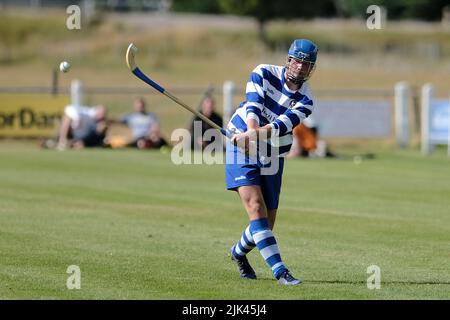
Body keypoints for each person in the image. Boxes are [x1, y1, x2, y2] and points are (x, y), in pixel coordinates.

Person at [225, 39, 318, 285]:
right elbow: (253, 106)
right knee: (256, 207)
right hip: (241, 144)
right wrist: (249, 134)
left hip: (272, 153)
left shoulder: (306, 101)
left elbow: (280, 126)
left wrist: (253, 136)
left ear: (311, 69)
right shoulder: (263, 72)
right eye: (297, 61)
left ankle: (237, 253)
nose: (300, 68)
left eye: (306, 65)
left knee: (267, 222)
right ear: (288, 60)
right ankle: (281, 272)